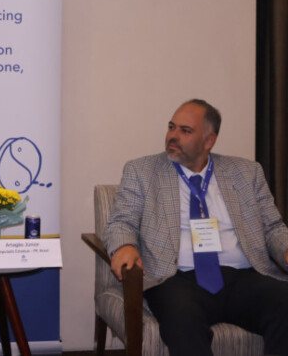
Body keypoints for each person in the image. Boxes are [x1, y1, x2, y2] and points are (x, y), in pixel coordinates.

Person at [104, 99, 288, 355]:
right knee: (183, 322)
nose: (173, 136)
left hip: (242, 276)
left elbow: (273, 227)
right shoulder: (142, 171)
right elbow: (122, 220)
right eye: (171, 127)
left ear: (209, 140)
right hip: (176, 278)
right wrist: (124, 245)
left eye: (185, 130)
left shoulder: (247, 172)